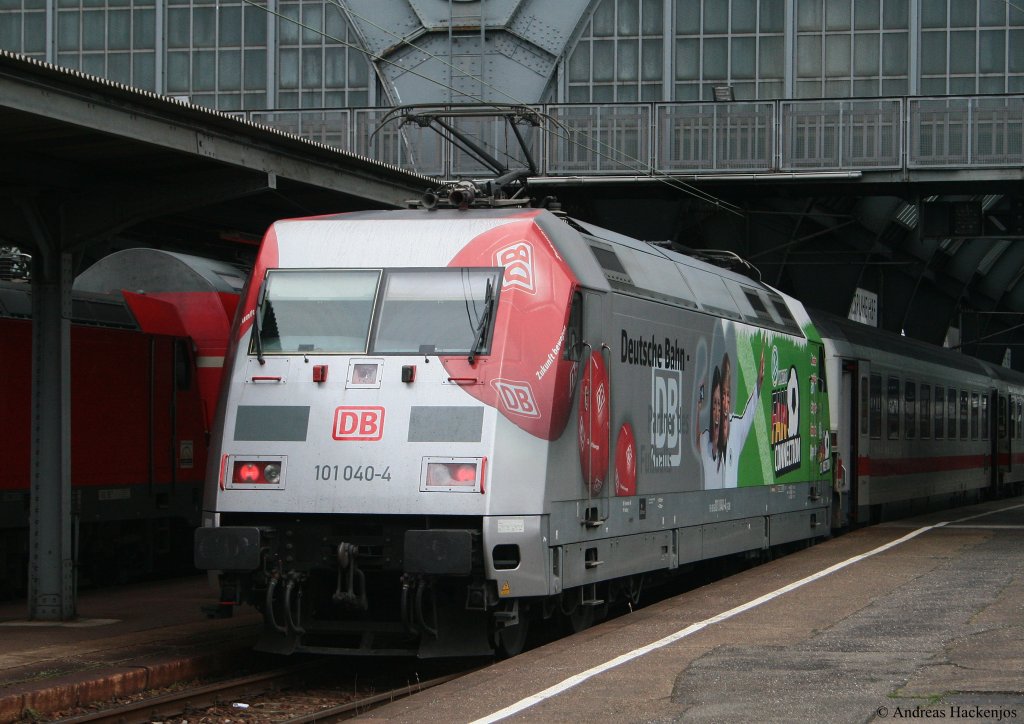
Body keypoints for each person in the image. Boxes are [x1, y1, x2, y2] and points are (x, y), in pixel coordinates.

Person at [719, 336, 766, 488]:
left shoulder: (737, 426)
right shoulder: (711, 435)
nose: (725, 401)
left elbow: (750, 410)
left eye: (728, 395)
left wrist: (759, 382)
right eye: (722, 396)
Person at [695, 366, 726, 489]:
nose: (717, 412)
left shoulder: (728, 447)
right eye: (714, 405)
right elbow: (697, 439)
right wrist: (699, 406)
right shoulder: (705, 441)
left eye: (720, 406)